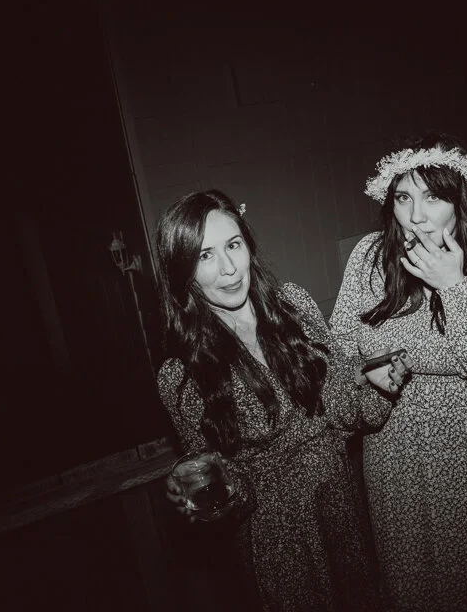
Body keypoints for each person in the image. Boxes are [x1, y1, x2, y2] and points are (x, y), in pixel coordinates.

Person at [154, 189, 411, 611]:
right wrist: (208, 496)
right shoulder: (180, 375)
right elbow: (223, 482)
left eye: (233, 245)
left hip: (340, 504)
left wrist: (378, 387)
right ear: (184, 270)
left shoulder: (294, 306)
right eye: (205, 255)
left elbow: (342, 410)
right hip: (277, 537)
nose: (228, 268)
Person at [329, 133, 467, 611]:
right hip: (396, 453)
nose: (416, 215)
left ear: (459, 202)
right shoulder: (369, 257)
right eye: (403, 198)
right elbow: (338, 349)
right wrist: (367, 371)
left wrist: (452, 287)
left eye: (432, 198)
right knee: (416, 577)